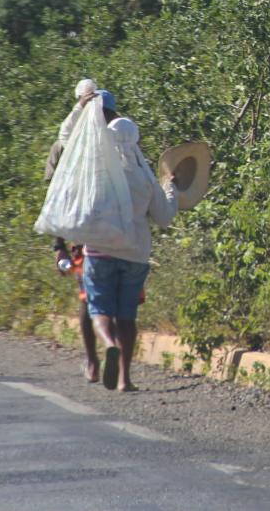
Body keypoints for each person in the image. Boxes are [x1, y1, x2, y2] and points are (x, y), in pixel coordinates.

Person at [81, 111, 178, 392]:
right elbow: (164, 216)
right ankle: (125, 378)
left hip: (99, 251)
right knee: (127, 316)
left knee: (98, 309)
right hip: (135, 255)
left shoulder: (96, 172)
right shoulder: (144, 178)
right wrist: (169, 187)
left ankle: (108, 344)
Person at [45, 84, 118, 383]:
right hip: (108, 234)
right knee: (106, 299)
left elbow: (54, 198)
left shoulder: (111, 141)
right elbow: (55, 196)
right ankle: (107, 359)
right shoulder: (71, 147)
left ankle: (97, 358)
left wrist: (58, 245)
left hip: (93, 236)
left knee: (91, 300)